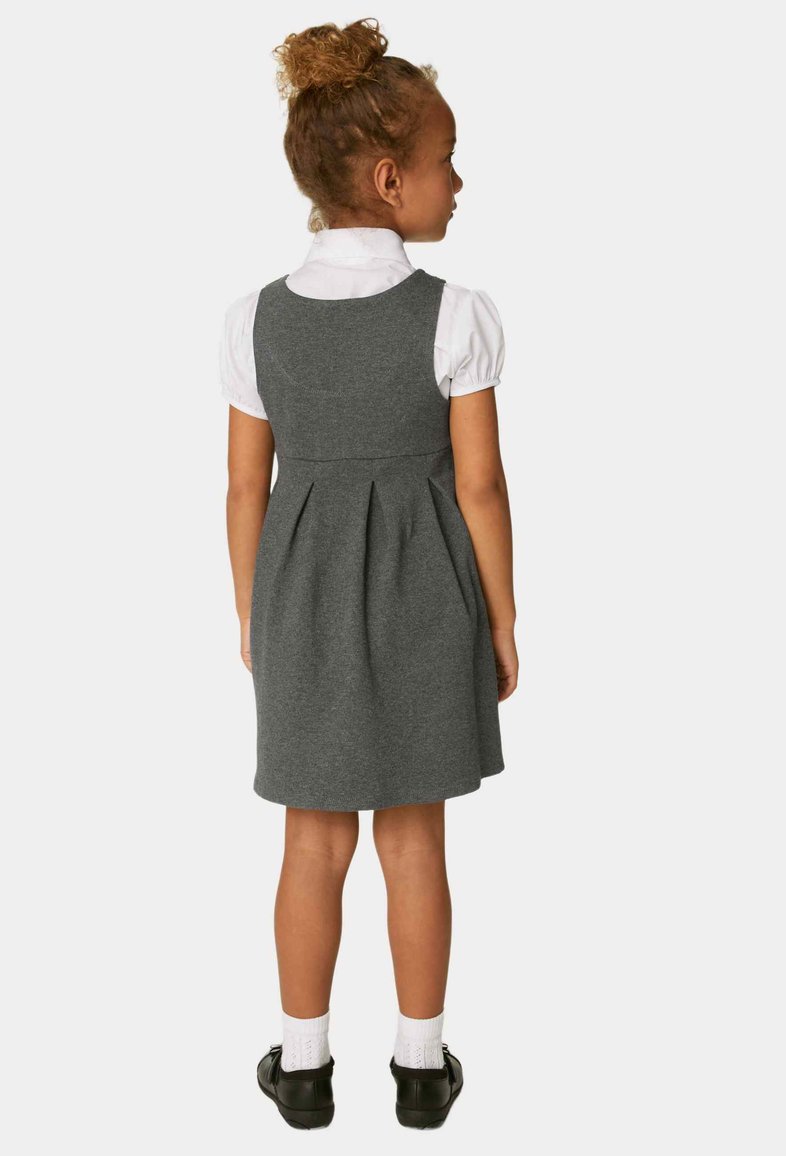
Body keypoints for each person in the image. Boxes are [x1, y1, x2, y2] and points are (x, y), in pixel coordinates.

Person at [220, 17, 518, 1130]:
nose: (459, 181)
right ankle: (421, 1068)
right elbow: (480, 488)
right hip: (426, 599)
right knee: (412, 840)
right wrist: (501, 620)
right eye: (447, 160)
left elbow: (244, 487)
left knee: (310, 842)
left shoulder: (254, 320)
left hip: (297, 600)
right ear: (390, 181)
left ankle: (301, 1069)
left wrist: (253, 616)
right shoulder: (455, 317)